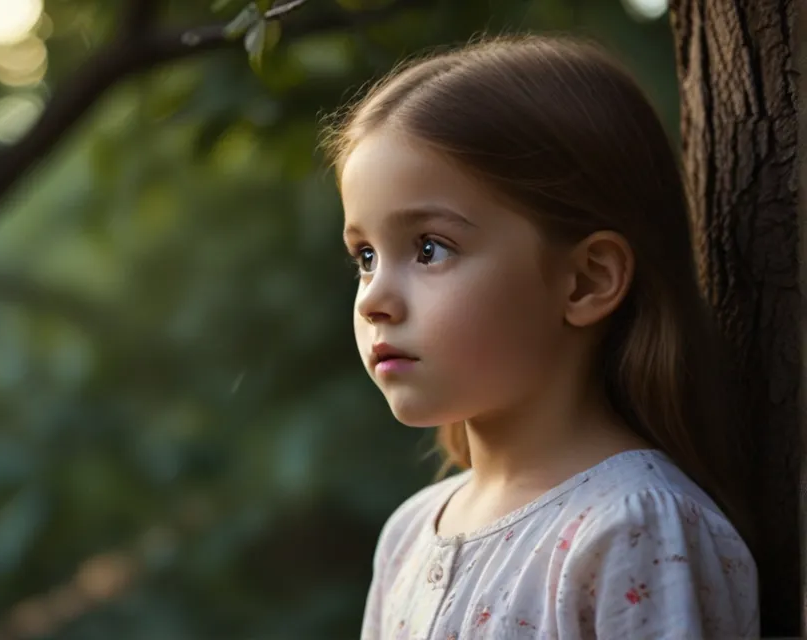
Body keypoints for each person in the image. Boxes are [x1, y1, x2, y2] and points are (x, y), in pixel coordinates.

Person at [324, 35, 759, 639]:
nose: (373, 300)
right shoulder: (408, 535)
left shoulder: (633, 531)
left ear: (585, 280)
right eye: (366, 256)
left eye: (429, 248)